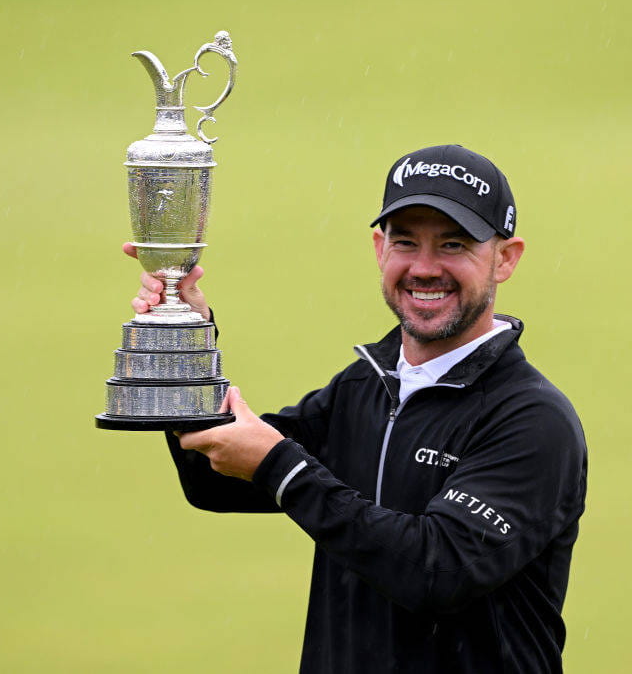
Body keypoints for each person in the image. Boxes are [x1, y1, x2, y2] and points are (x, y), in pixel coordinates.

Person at [125, 145, 588, 673]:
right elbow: (214, 477)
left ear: (505, 258)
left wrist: (282, 466)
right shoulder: (365, 386)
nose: (425, 268)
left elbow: (437, 571)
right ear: (379, 249)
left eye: (454, 244)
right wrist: (183, 345)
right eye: (406, 242)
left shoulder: (532, 421)